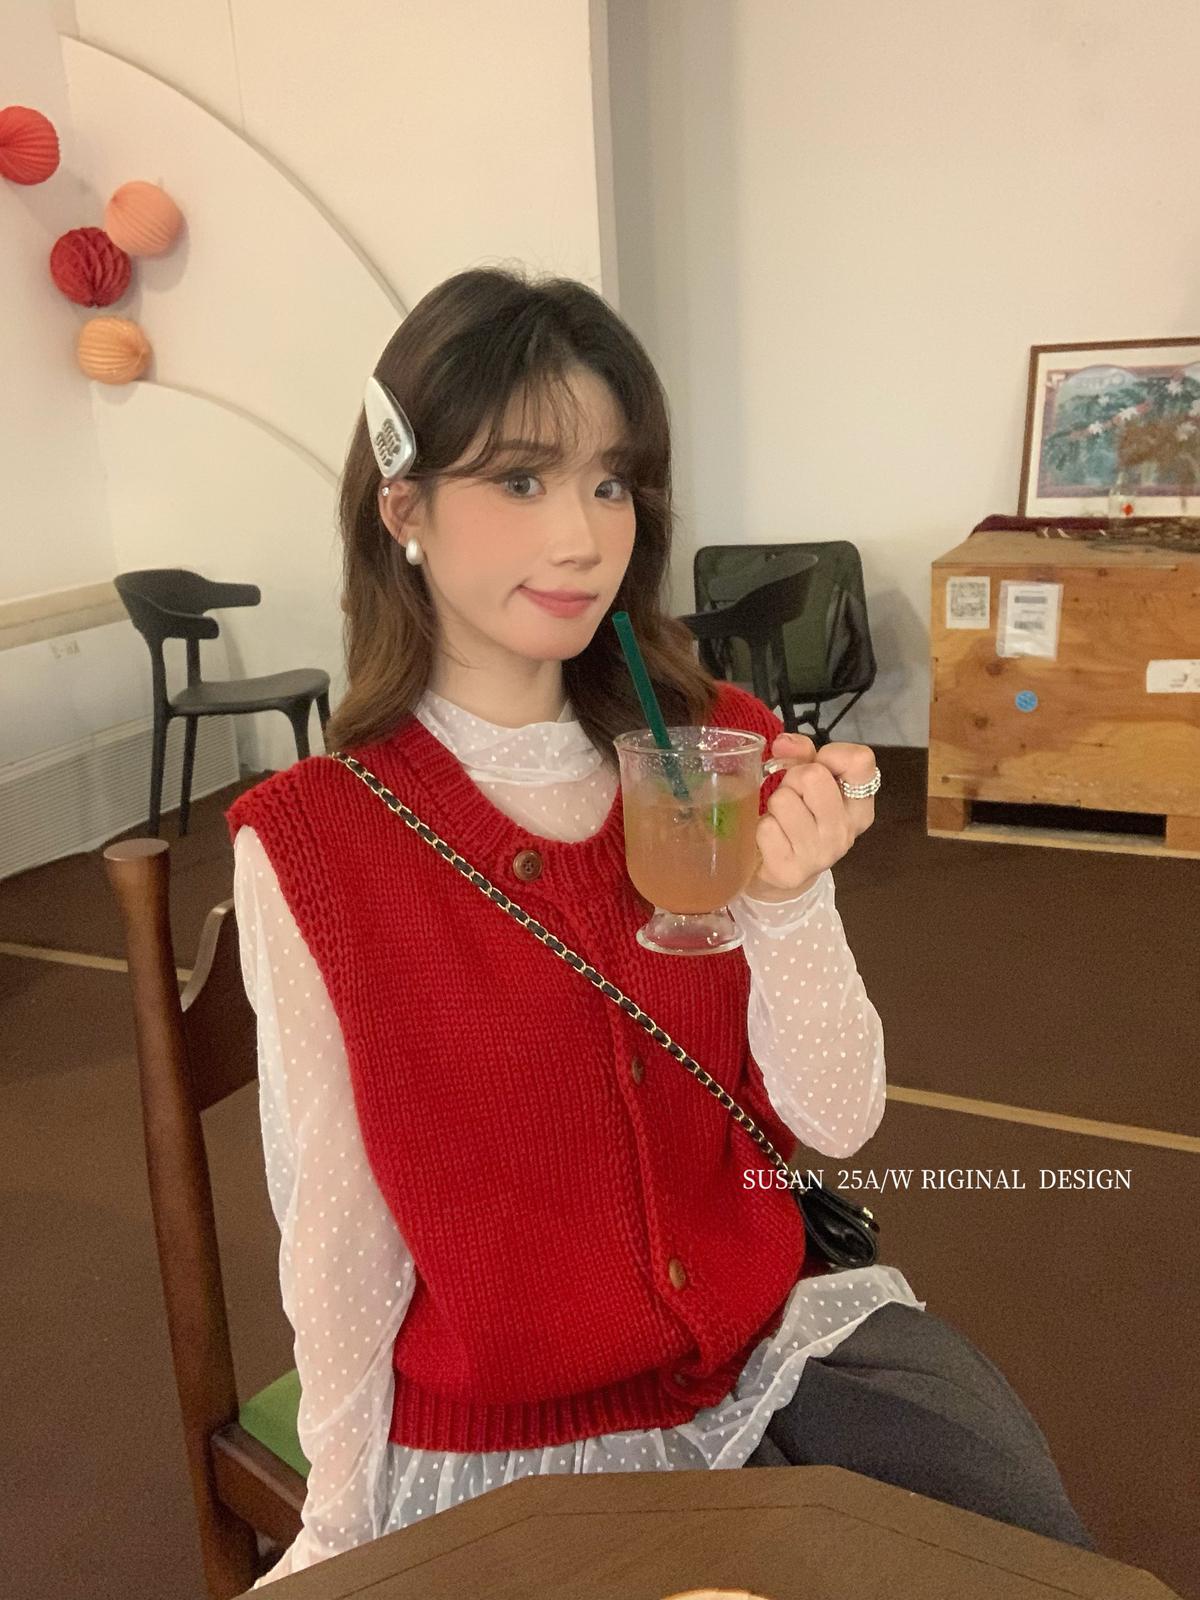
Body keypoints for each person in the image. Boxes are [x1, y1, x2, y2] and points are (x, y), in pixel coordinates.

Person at [226, 267, 1094, 1584]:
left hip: (769, 1361)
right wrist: (340, 1520)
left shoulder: (718, 750)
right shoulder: (314, 839)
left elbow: (839, 1116)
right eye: (523, 480)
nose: (584, 538)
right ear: (403, 508)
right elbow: (338, 1225)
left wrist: (790, 900)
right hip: (519, 1444)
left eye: (612, 483)